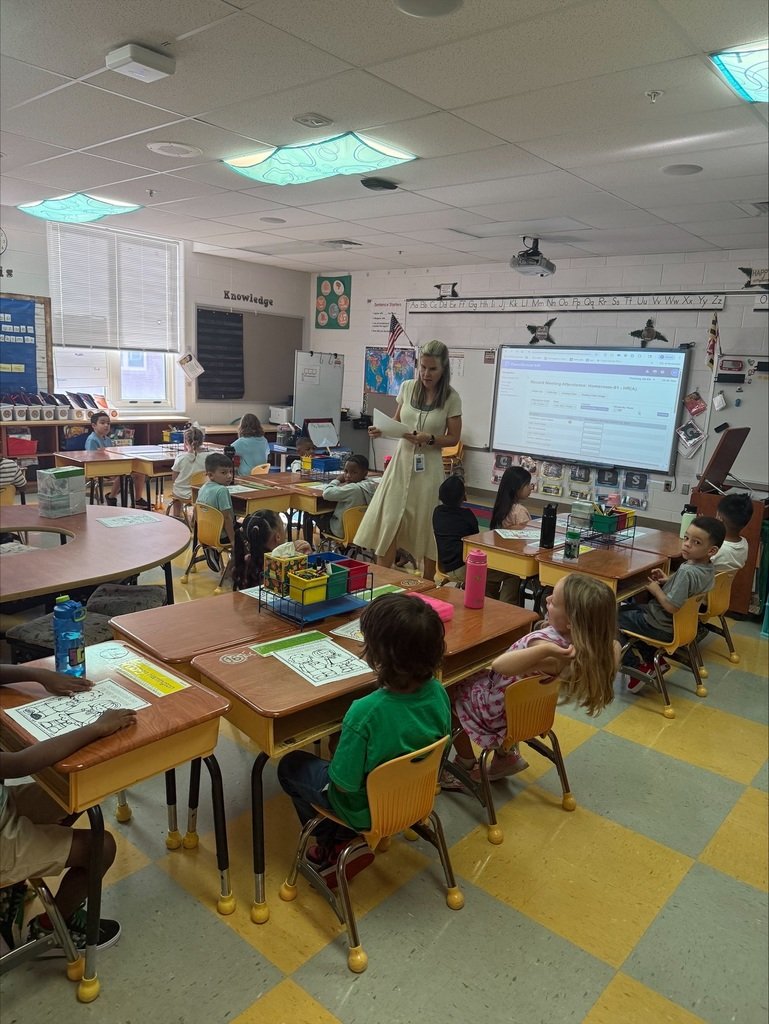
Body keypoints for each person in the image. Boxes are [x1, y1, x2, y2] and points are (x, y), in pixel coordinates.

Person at [277, 592, 451, 887]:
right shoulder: (439, 692)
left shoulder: (364, 713)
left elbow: (343, 785)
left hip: (364, 810)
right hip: (413, 797)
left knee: (290, 765)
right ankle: (344, 841)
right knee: (340, 748)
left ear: (378, 654)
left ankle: (337, 844)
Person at [0, 663, 136, 952]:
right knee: (102, 847)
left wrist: (38, 675)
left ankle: (17, 879)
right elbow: (20, 764)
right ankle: (51, 931)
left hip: (4, 808)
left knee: (76, 792)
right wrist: (96, 727)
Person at [444, 574, 618, 786]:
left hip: (498, 711)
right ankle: (504, 755)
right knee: (473, 676)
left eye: (554, 602)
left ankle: (465, 762)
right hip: (529, 711)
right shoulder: (590, 651)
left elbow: (500, 665)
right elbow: (614, 646)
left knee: (448, 691)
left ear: (572, 622)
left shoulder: (549, 653)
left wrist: (544, 649)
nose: (547, 599)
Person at [356, 340, 462, 581]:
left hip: (429, 469)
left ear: (444, 369)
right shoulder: (407, 387)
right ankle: (383, 581)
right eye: (423, 367)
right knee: (391, 520)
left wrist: (431, 438)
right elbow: (396, 424)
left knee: (426, 524)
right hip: (401, 463)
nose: (426, 373)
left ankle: (425, 584)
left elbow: (454, 438)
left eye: (432, 369)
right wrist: (380, 430)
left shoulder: (451, 398)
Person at [619, 515, 725, 688]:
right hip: (683, 627)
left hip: (661, 625)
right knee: (629, 610)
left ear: (711, 550)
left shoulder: (687, 572)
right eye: (686, 537)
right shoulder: (707, 569)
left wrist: (656, 590)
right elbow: (689, 591)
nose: (687, 544)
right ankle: (654, 662)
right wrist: (669, 582)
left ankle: (637, 668)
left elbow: (671, 606)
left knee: (610, 619)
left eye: (696, 542)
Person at [485, 466, 534, 603]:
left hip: (499, 558)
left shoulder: (501, 506)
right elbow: (529, 539)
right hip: (515, 562)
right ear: (517, 487)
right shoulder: (519, 511)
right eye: (528, 484)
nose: (531, 488)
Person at [231, 508, 311, 591]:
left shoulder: (246, 561)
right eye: (283, 527)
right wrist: (307, 560)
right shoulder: (283, 565)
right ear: (278, 537)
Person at [304, 454, 378, 544]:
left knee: (308, 512)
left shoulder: (353, 489)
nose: (348, 475)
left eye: (354, 472)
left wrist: (337, 480)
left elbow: (326, 494)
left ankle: (308, 545)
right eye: (346, 471)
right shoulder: (372, 485)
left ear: (365, 473)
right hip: (363, 531)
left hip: (341, 531)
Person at [85, 411, 148, 509]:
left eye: (108, 423)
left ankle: (137, 499)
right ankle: (112, 497)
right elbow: (91, 458)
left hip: (110, 465)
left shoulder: (108, 439)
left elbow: (111, 454)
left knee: (140, 472)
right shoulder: (92, 440)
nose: (106, 425)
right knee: (125, 473)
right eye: (102, 423)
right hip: (98, 467)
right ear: (94, 425)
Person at [432, 474, 479, 583]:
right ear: (463, 496)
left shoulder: (437, 512)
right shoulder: (467, 516)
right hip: (462, 567)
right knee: (506, 574)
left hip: (443, 566)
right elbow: (476, 543)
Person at [197, 452, 236, 547]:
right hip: (221, 536)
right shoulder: (222, 490)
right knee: (249, 529)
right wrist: (233, 541)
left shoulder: (203, 487)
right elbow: (226, 518)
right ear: (210, 475)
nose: (229, 476)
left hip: (205, 534)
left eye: (230, 471)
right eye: (224, 473)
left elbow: (195, 511)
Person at [168, 426, 207, 519]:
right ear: (202, 442)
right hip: (199, 493)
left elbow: (174, 479)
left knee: (176, 489)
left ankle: (177, 516)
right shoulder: (207, 458)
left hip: (181, 493)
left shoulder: (181, 458)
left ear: (185, 442)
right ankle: (196, 519)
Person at [712, 492, 753, 571]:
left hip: (705, 582)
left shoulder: (716, 549)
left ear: (720, 518)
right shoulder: (744, 544)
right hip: (723, 583)